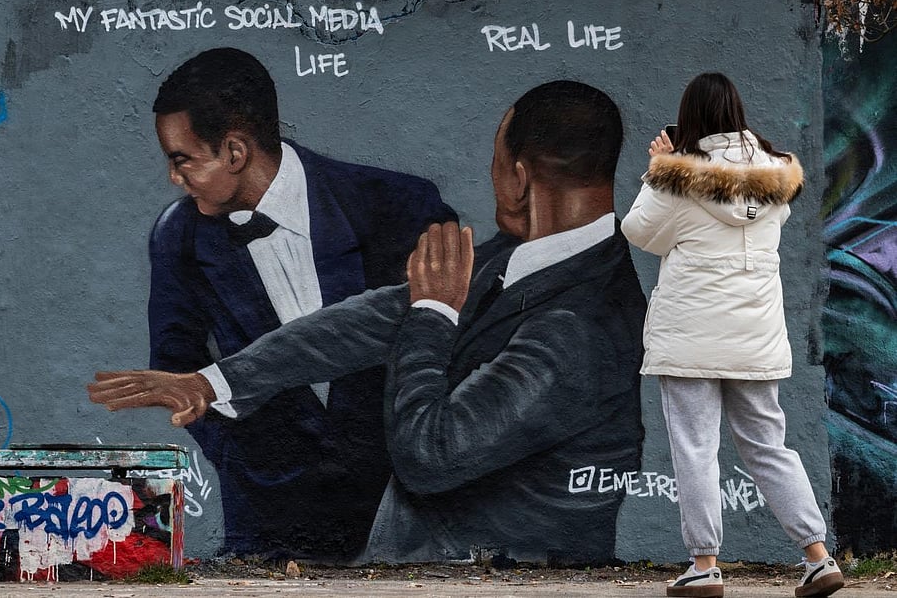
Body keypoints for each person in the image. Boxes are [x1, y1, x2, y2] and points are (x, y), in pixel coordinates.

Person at [89, 80, 647, 565]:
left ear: (520, 179)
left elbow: (430, 455)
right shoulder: (520, 257)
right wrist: (213, 382)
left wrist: (433, 313)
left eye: (496, 163)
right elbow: (369, 321)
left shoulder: (579, 328)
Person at [142, 47, 456, 561]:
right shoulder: (177, 236)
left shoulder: (399, 205)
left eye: (182, 160)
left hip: (403, 519)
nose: (173, 178)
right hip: (270, 528)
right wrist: (246, 460)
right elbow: (176, 363)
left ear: (235, 153)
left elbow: (447, 336)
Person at [620, 72, 844, 598]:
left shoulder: (678, 178)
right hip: (756, 338)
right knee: (769, 446)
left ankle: (704, 566)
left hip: (691, 337)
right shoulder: (775, 178)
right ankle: (818, 557)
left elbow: (639, 231)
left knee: (696, 448)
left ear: (691, 118)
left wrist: (659, 170)